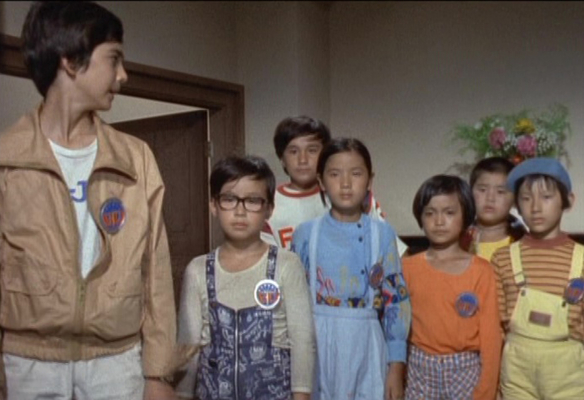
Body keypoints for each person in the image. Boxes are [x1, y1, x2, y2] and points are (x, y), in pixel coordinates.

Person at [0, 2, 184, 399]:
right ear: (70, 60)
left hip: (116, 365)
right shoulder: (6, 160)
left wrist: (159, 375)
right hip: (27, 366)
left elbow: (155, 272)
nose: (123, 74)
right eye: (114, 59)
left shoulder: (135, 159)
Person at [175, 156, 315, 400]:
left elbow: (302, 342)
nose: (240, 211)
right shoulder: (198, 270)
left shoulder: (287, 265)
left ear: (269, 208)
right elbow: (188, 346)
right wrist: (182, 394)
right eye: (229, 199)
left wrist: (302, 396)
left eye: (252, 201)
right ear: (214, 205)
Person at [291, 138, 410, 400]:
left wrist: (396, 366)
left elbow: (396, 301)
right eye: (335, 174)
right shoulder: (305, 234)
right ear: (321, 181)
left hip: (367, 345)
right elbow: (292, 301)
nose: (345, 183)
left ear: (369, 180)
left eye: (356, 174)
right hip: (316, 346)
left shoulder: (382, 234)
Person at [491, 157, 584, 399]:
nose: (535, 207)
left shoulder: (582, 259)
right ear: (517, 206)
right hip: (516, 373)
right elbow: (495, 327)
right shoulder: (502, 258)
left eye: (546, 197)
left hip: (569, 373)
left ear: (568, 201)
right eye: (526, 198)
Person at [403, 175, 501, 400]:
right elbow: (398, 329)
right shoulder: (407, 268)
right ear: (420, 217)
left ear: (465, 216)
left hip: (465, 370)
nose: (439, 221)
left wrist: (486, 391)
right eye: (430, 213)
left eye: (449, 212)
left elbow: (491, 337)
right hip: (419, 369)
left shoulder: (481, 271)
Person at [263, 116, 408, 255]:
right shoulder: (267, 204)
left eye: (312, 150)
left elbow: (393, 248)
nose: (303, 159)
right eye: (293, 152)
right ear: (282, 159)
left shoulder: (348, 195)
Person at [461, 157, 526, 261]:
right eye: (482, 190)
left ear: (515, 198)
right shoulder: (458, 241)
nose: (490, 198)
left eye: (500, 192)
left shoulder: (523, 243)